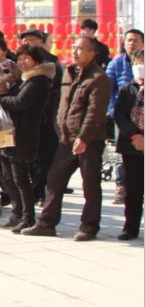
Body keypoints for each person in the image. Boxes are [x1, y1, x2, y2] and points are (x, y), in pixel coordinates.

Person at [23, 35, 111, 241]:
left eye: (80, 48)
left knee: (90, 185)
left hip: (89, 140)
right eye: (73, 47)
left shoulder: (99, 78)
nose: (74, 51)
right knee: (54, 180)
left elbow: (95, 113)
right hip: (66, 138)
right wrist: (60, 127)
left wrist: (84, 137)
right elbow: (61, 104)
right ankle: (46, 223)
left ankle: (89, 226)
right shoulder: (68, 73)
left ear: (92, 53)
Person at [0, 44, 55, 233]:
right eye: (19, 58)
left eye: (26, 58)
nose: (22, 62)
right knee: (7, 176)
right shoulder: (23, 79)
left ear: (36, 60)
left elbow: (20, 102)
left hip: (24, 135)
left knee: (21, 178)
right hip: (11, 134)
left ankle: (28, 217)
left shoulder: (38, 81)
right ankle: (17, 213)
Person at [19, 28, 64, 203]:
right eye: (26, 40)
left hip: (45, 118)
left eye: (33, 40)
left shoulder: (51, 63)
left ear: (41, 42)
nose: (29, 43)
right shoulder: (18, 60)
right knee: (28, 160)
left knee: (45, 159)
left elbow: (54, 93)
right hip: (25, 120)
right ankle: (33, 192)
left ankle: (44, 192)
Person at [107, 29, 144, 205]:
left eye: (136, 40)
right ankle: (121, 186)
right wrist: (114, 111)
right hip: (123, 118)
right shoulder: (116, 63)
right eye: (129, 40)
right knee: (122, 155)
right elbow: (109, 90)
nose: (131, 43)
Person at [113, 50, 144, 240]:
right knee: (133, 190)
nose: (140, 67)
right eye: (137, 63)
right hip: (131, 146)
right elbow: (119, 115)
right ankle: (130, 227)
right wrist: (135, 136)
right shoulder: (127, 89)